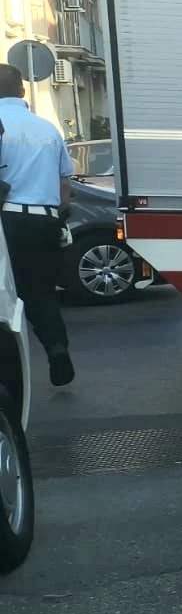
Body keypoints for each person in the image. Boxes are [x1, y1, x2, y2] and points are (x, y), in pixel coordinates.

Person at [0, 64, 75, 386]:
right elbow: (65, 188)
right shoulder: (47, 129)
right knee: (41, 295)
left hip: (6, 221)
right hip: (44, 220)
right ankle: (57, 350)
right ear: (22, 91)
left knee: (5, 299)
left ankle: (10, 373)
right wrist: (56, 218)